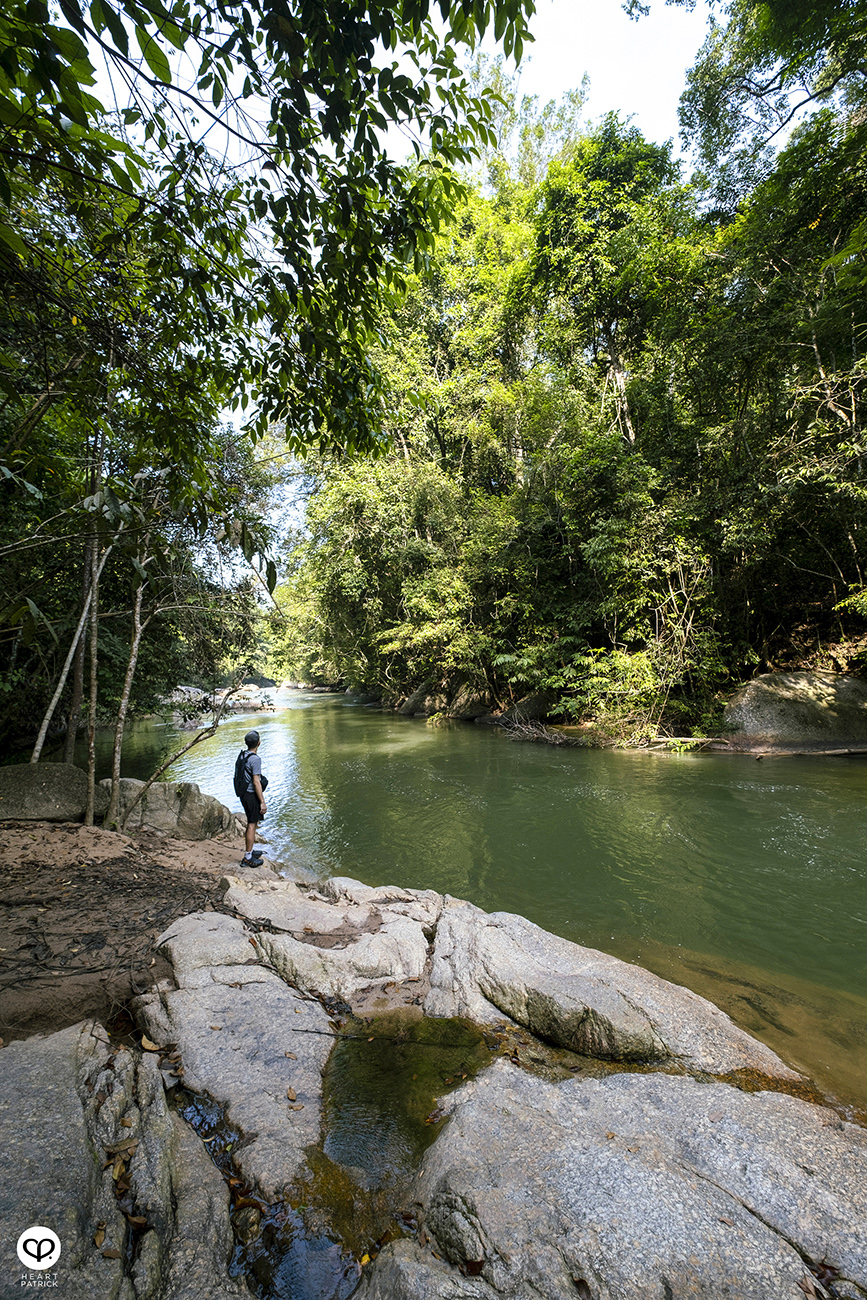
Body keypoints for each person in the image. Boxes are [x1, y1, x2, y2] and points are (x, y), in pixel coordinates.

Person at [239, 729, 267, 866]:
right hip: (251, 795)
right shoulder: (255, 759)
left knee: (252, 823)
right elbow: (256, 782)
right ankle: (247, 858)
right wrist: (262, 802)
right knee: (251, 824)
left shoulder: (243, 755)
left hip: (243, 793)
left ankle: (250, 851)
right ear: (259, 743)